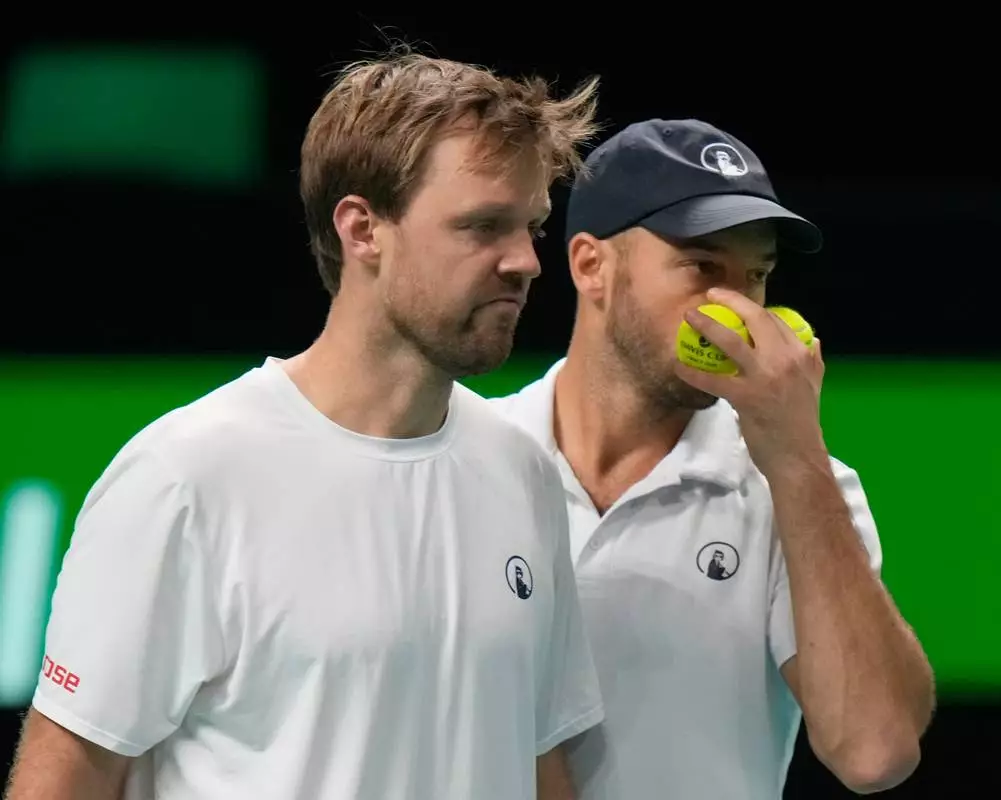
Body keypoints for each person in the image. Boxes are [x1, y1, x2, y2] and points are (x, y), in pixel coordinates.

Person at [4, 52, 605, 800]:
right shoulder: (187, 476)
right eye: (483, 226)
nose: (524, 262)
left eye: (532, 228)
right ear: (362, 231)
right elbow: (63, 783)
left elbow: (538, 760)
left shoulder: (523, 471)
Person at [490, 118, 936, 799]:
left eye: (755, 275)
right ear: (591, 266)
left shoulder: (799, 490)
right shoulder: (475, 460)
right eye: (702, 266)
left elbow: (874, 752)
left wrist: (797, 461)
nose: (735, 309)